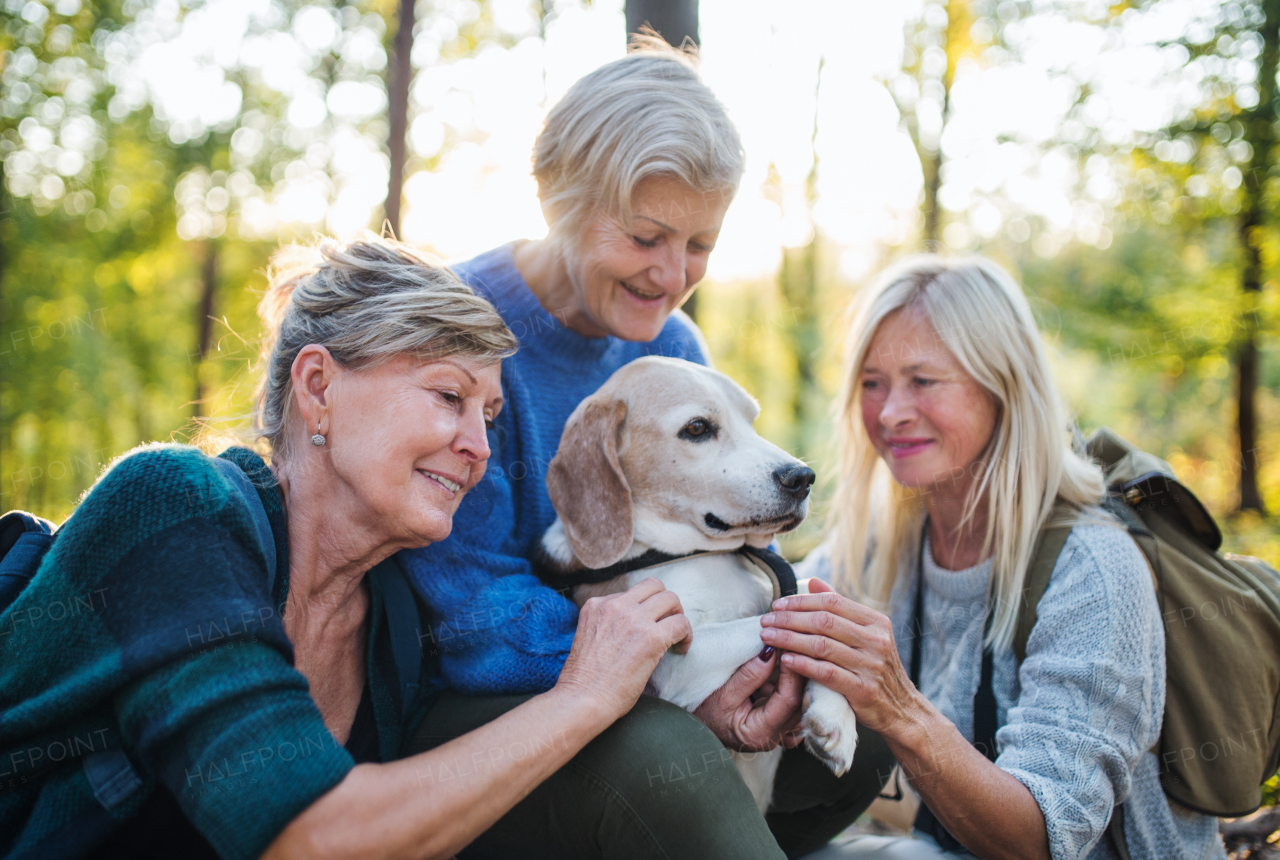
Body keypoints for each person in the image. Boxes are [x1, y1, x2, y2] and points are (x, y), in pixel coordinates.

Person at [0, 235, 730, 860]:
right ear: (318, 387)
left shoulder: (397, 607)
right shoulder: (174, 506)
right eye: (449, 397)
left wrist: (711, 703)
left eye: (492, 414)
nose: (479, 447)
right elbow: (308, 837)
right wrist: (586, 694)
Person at [396, 34, 894, 858]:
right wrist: (670, 670)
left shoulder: (673, 349)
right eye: (645, 237)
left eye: (700, 245)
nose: (672, 274)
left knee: (864, 737)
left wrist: (759, 653)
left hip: (657, 658)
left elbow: (716, 532)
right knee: (673, 757)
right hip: (471, 700)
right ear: (562, 202)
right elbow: (463, 614)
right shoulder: (461, 331)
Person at [765, 256, 1227, 859]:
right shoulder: (877, 545)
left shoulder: (1091, 568)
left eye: (922, 381)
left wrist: (900, 711)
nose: (888, 412)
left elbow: (1043, 841)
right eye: (871, 382)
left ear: (1002, 386)